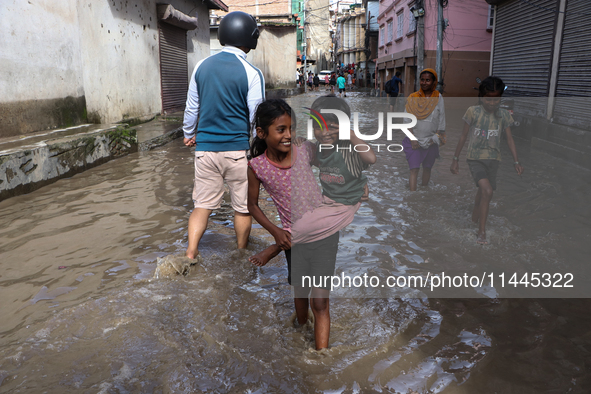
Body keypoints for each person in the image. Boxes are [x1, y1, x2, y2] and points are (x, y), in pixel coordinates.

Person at [183, 11, 265, 260]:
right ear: (249, 38)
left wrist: (189, 133)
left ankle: (190, 252)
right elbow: (257, 118)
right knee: (243, 208)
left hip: (205, 150)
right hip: (239, 152)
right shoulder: (251, 72)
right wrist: (257, 149)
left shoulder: (201, 66)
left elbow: (191, 108)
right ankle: (241, 254)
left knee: (202, 206)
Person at [450, 76, 524, 245]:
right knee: (488, 191)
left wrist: (516, 162)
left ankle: (474, 219)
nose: (492, 103)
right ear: (482, 97)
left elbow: (510, 139)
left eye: (496, 99)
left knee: (483, 193)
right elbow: (462, 136)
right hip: (475, 159)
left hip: (494, 160)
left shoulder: (504, 115)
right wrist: (455, 159)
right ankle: (481, 232)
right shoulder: (472, 112)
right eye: (488, 99)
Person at [403, 68, 446, 191]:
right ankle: (413, 197)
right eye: (422, 80)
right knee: (414, 169)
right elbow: (407, 120)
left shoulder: (438, 98)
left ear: (434, 82)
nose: (424, 82)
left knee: (427, 168)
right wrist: (412, 139)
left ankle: (424, 192)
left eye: (428, 80)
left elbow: (441, 118)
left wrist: (436, 137)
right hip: (414, 140)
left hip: (431, 140)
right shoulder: (412, 98)